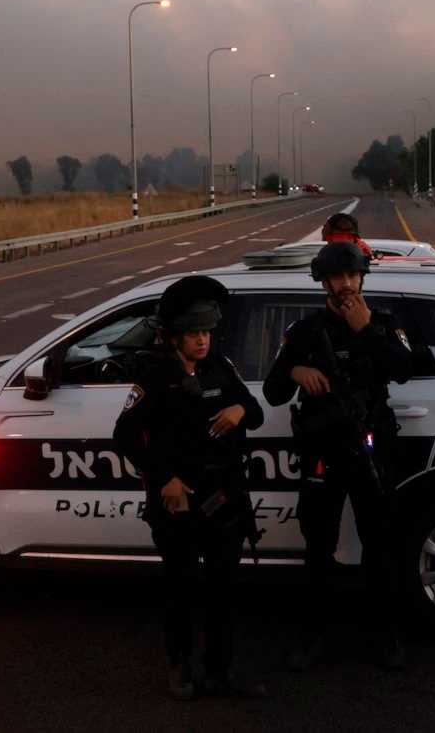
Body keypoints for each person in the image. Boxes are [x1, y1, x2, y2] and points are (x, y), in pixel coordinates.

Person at [112, 275, 268, 701]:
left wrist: (239, 408)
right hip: (178, 501)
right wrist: (165, 478)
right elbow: (124, 436)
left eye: (206, 332)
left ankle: (221, 670)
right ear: (174, 336)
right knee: (180, 587)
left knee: (222, 589)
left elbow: (254, 410)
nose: (203, 340)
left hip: (225, 498)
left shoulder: (221, 366)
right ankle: (178, 664)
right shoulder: (155, 376)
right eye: (194, 334)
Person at [263, 241, 415, 672]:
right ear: (323, 282)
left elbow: (404, 371)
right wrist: (295, 371)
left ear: (362, 279)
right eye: (337, 278)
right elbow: (274, 391)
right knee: (317, 549)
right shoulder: (304, 332)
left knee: (381, 547)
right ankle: (313, 637)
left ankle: (387, 635)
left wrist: (364, 329)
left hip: (371, 454)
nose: (346, 285)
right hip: (322, 456)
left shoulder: (383, 324)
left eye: (352, 276)